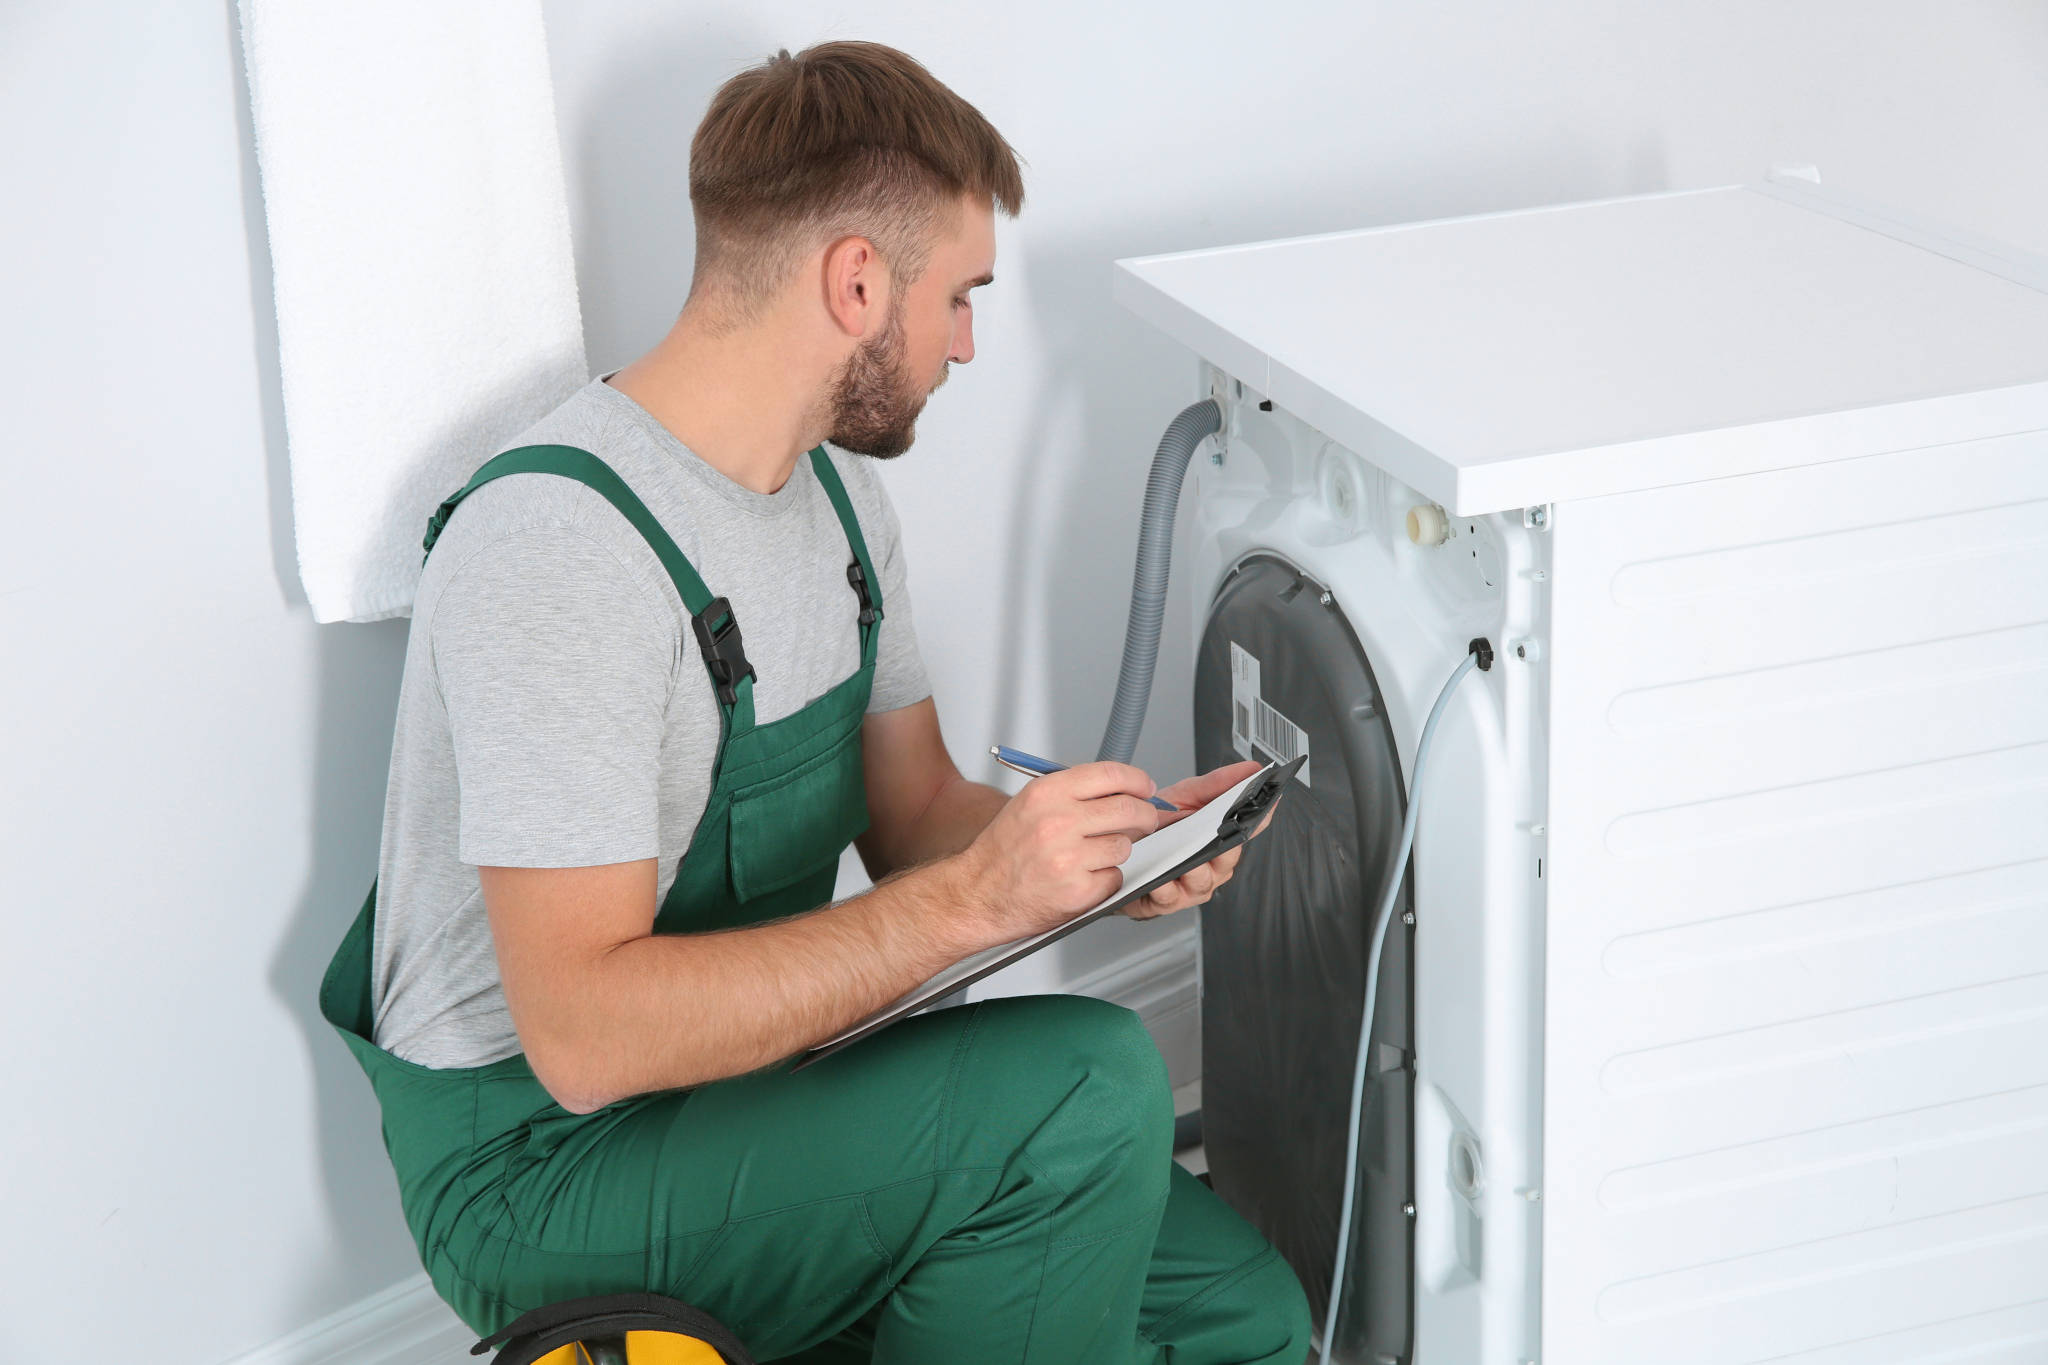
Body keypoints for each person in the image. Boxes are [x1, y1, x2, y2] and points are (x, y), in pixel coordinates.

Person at [317, 39, 1312, 1365]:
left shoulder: (842, 505)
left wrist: (1099, 859)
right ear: (857, 281)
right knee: (1085, 1092)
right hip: (544, 1164)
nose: (965, 343)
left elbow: (915, 814)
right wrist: (974, 899)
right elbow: (584, 1037)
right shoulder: (559, 546)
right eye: (958, 296)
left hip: (750, 1084)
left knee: (1245, 1318)